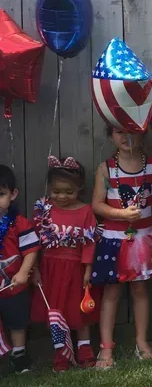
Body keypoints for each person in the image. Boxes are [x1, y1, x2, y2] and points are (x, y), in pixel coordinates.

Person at [91, 127, 152, 368]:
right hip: (113, 240)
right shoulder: (105, 168)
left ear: (143, 134)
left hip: (144, 239)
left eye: (133, 131)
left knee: (140, 290)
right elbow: (97, 205)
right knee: (111, 293)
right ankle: (106, 348)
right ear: (110, 136)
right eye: (119, 131)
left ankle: (141, 342)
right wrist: (120, 213)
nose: (126, 137)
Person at [31, 157, 100, 371]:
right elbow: (34, 242)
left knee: (80, 311)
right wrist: (34, 270)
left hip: (77, 269)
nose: (62, 197)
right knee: (57, 312)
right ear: (50, 188)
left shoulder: (86, 211)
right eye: (57, 191)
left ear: (79, 188)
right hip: (51, 269)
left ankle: (84, 348)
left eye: (69, 192)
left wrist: (88, 269)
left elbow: (89, 243)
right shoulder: (44, 209)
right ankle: (61, 352)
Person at [0, 165, 39, 373]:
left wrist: (24, 272)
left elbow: (31, 250)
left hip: (14, 284)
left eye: (0, 194)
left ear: (13, 194)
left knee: (17, 320)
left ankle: (19, 353)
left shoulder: (19, 224)